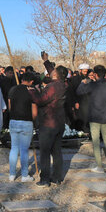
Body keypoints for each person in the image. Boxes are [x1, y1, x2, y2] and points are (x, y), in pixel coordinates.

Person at [29, 53, 67, 187]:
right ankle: (57, 177)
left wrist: (32, 90)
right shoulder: (62, 84)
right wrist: (46, 61)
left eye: (54, 71)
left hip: (48, 123)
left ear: (56, 75)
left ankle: (45, 179)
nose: (52, 72)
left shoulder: (52, 86)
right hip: (59, 123)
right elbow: (52, 72)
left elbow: (40, 100)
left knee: (45, 152)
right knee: (56, 150)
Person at [76, 64, 106, 172]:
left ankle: (99, 166)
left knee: (96, 142)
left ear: (96, 74)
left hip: (94, 116)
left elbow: (79, 91)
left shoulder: (92, 85)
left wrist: (82, 83)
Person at [8, 72, 37, 182]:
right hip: (26, 121)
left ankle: (12, 174)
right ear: (31, 82)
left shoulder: (12, 90)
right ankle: (24, 175)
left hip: (14, 121)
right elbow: (34, 112)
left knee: (14, 148)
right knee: (24, 150)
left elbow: (10, 106)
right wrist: (32, 120)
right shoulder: (31, 92)